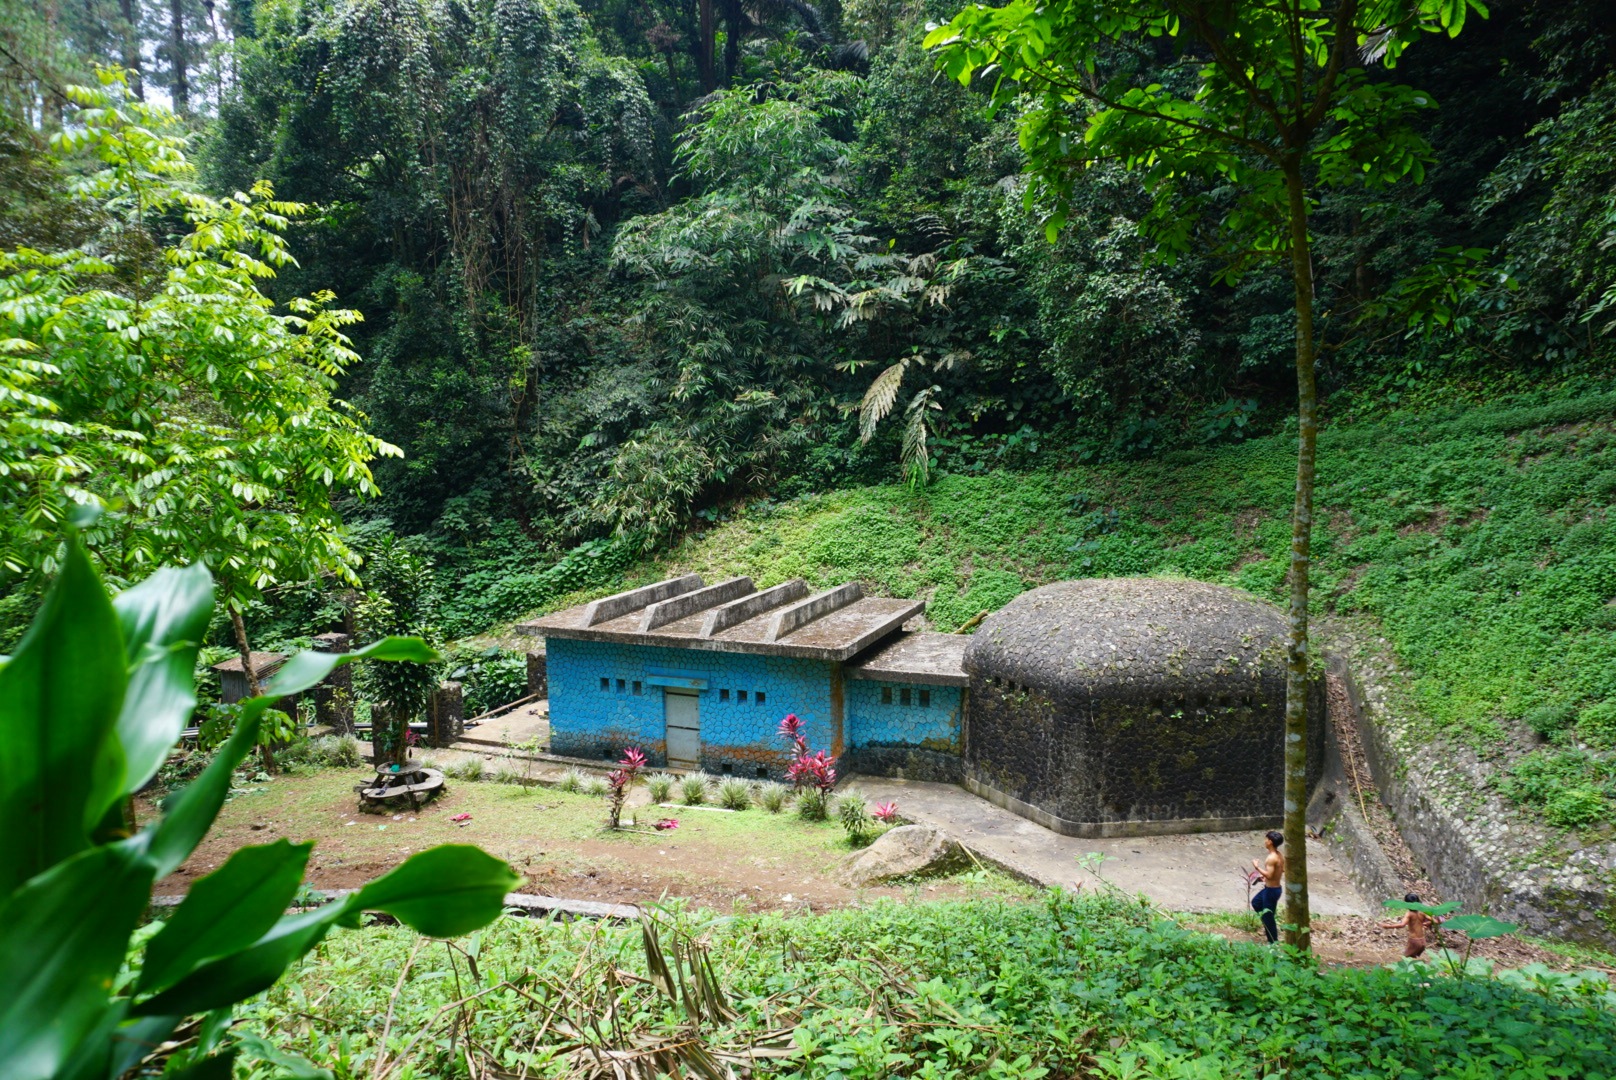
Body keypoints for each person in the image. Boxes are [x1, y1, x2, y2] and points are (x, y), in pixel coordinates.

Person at [1250, 830, 1286, 944]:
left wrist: (1257, 867)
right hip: (1272, 888)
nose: (1264, 841)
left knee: (1268, 917)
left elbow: (1269, 874)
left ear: (1270, 842)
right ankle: (1267, 923)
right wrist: (1265, 878)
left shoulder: (1271, 858)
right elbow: (1282, 870)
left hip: (1271, 891)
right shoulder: (1279, 855)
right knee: (1256, 902)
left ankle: (1273, 942)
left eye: (1266, 839)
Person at [1381, 893, 1440, 958]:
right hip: (1423, 941)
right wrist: (1426, 924)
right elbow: (1436, 921)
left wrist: (1388, 926)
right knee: (1414, 958)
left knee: (1405, 959)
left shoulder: (1409, 914)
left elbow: (1402, 925)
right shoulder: (1422, 912)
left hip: (1414, 941)